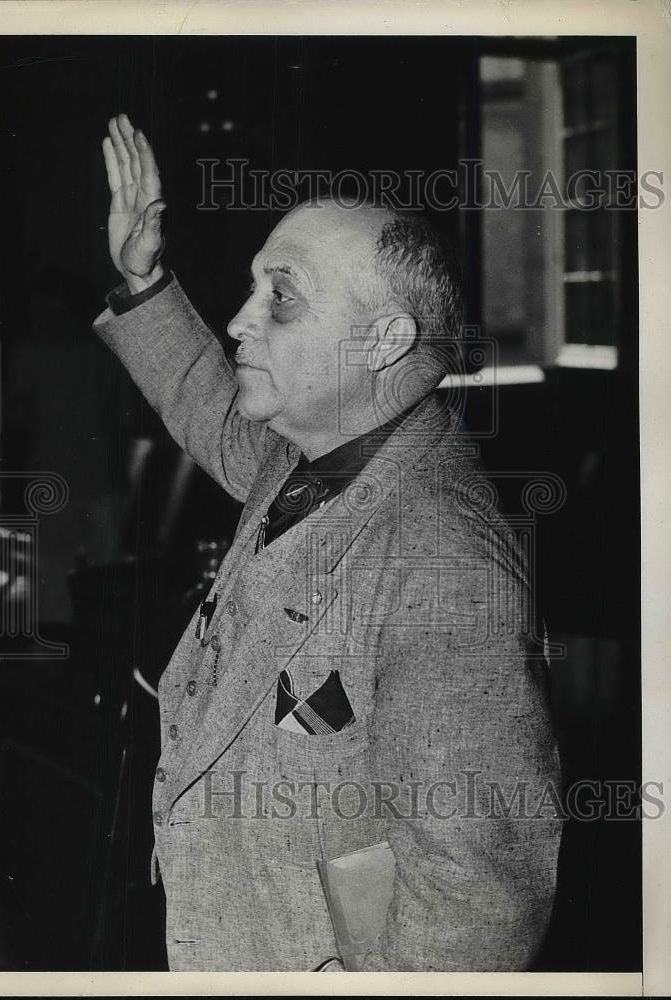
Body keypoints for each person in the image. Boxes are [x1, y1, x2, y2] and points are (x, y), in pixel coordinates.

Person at [93, 113, 561, 972]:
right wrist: (144, 279)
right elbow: (211, 408)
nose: (240, 320)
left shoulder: (443, 565)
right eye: (251, 289)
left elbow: (477, 905)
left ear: (384, 341)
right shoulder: (313, 458)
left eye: (283, 295)